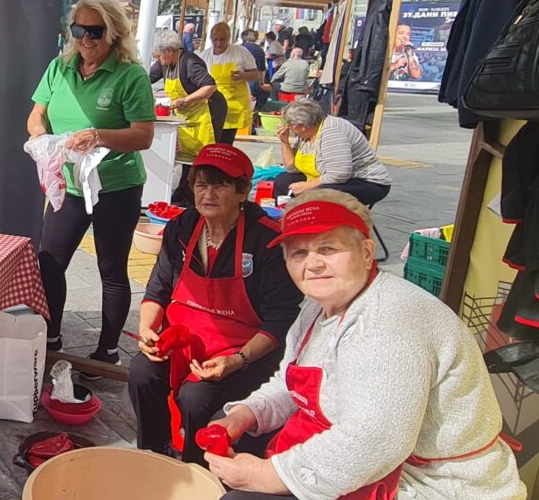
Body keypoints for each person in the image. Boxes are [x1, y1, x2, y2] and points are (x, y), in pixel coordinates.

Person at [203, 191, 527, 500]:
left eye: (329, 249)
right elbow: (289, 382)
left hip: (432, 485)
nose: (313, 264)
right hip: (366, 458)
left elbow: (374, 441)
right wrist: (244, 415)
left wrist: (265, 475)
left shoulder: (389, 322)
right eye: (299, 253)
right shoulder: (318, 307)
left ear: (367, 252)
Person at [130, 145, 302, 465]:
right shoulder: (182, 228)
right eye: (201, 184)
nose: (208, 194)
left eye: (220, 185)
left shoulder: (267, 241)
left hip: (244, 350)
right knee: (142, 371)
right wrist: (146, 331)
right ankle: (153, 456)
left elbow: (281, 321)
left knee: (196, 397)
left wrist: (237, 360)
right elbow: (157, 290)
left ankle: (200, 468)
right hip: (184, 342)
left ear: (242, 192)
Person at [27, 0, 155, 365]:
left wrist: (99, 135)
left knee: (111, 268)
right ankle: (51, 338)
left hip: (116, 185)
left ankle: (108, 351)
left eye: (94, 31)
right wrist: (39, 136)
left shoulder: (131, 75)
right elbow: (37, 114)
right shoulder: (60, 67)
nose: (85, 39)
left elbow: (143, 135)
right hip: (68, 185)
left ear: (114, 33)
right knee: (49, 261)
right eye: (78, 29)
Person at [149, 30, 225, 206]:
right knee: (185, 155)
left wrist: (185, 100)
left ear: (169, 51)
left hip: (207, 112)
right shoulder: (164, 64)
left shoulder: (190, 62)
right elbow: (147, 79)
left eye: (160, 56)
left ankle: (201, 196)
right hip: (187, 114)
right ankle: (185, 193)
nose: (159, 61)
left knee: (204, 155)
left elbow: (209, 86)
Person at [271, 99, 391, 206]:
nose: (288, 129)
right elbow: (292, 169)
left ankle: (316, 227)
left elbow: (339, 174)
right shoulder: (306, 134)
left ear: (302, 125)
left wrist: (307, 186)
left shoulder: (332, 132)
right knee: (282, 181)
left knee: (317, 194)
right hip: (326, 177)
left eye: (290, 125)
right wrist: (284, 142)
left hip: (365, 182)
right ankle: (282, 222)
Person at [199, 22, 260, 145]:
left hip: (235, 104)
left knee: (226, 140)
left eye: (223, 39)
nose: (219, 43)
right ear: (210, 38)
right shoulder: (204, 56)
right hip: (213, 103)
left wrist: (243, 76)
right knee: (212, 138)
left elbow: (255, 74)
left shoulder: (240, 52)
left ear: (229, 38)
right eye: (216, 39)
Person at [241, 29, 271, 111]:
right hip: (253, 79)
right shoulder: (259, 50)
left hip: (239, 78)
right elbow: (262, 69)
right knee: (251, 102)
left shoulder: (239, 48)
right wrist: (262, 83)